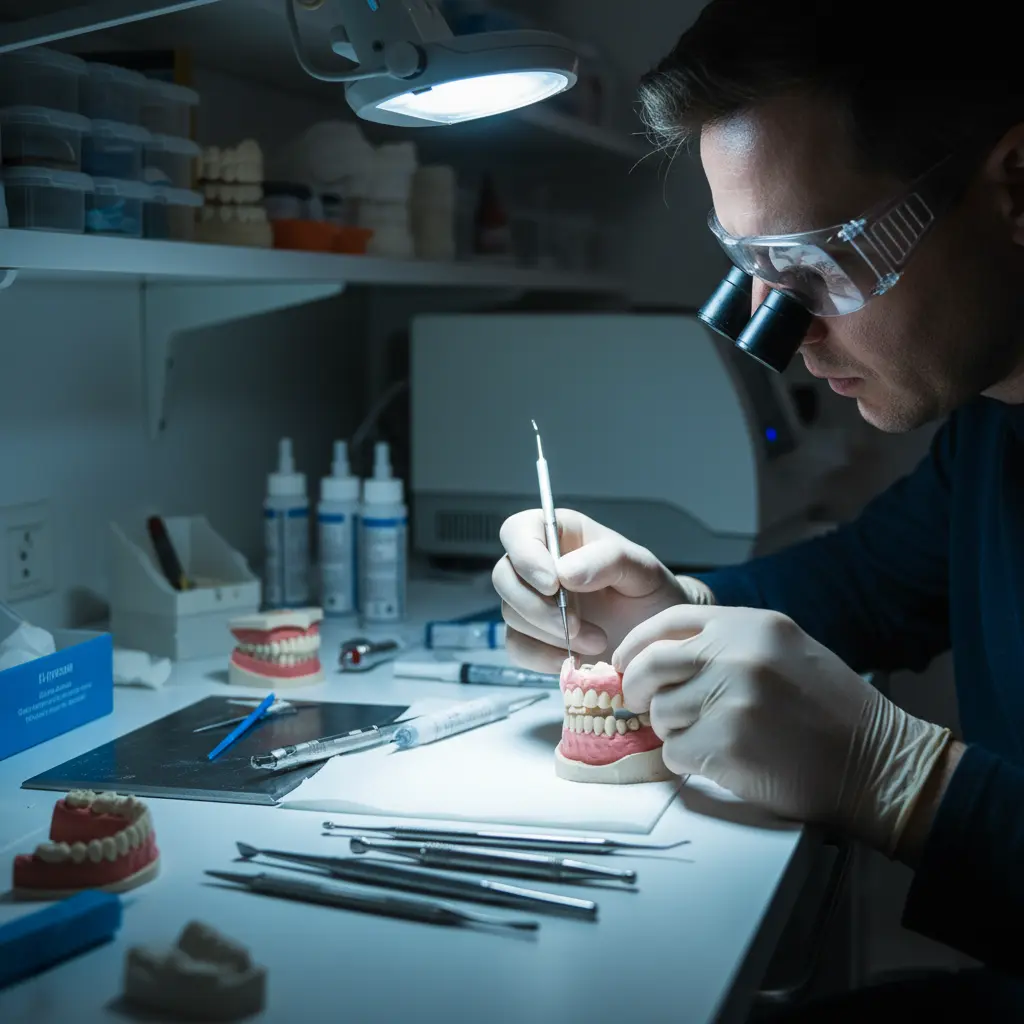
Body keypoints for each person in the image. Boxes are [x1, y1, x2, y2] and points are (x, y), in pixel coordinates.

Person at [492, 2, 1024, 1018]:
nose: (784, 337)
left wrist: (899, 779)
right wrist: (655, 603)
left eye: (818, 264)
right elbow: (861, 585)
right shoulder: (992, 429)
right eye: (752, 273)